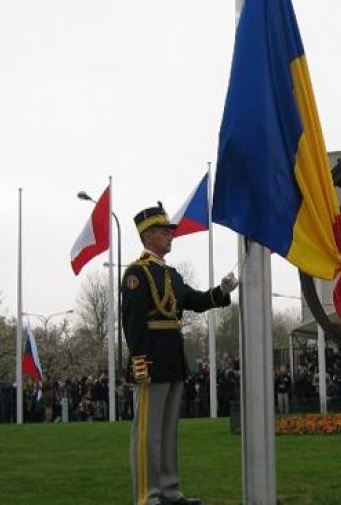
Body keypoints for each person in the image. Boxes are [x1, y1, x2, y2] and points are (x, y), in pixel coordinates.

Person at [122, 203, 237, 505]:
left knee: (168, 431)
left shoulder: (171, 274)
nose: (170, 236)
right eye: (164, 232)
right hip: (151, 358)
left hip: (172, 357)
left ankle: (169, 491)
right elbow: (133, 320)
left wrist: (221, 291)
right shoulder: (137, 272)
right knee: (148, 432)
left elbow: (194, 301)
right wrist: (139, 361)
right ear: (148, 236)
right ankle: (148, 495)